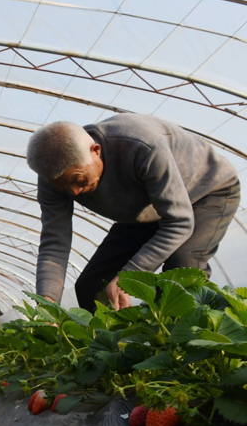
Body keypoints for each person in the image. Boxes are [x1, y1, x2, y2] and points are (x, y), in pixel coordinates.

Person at [26, 113, 240, 311]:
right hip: (146, 209)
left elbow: (179, 222)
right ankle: (118, 348)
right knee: (92, 286)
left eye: (78, 179)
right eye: (63, 185)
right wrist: (47, 304)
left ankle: (200, 343)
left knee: (182, 268)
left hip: (204, 193)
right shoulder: (54, 176)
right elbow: (55, 243)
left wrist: (129, 275)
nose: (74, 191)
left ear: (96, 151)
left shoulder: (141, 146)